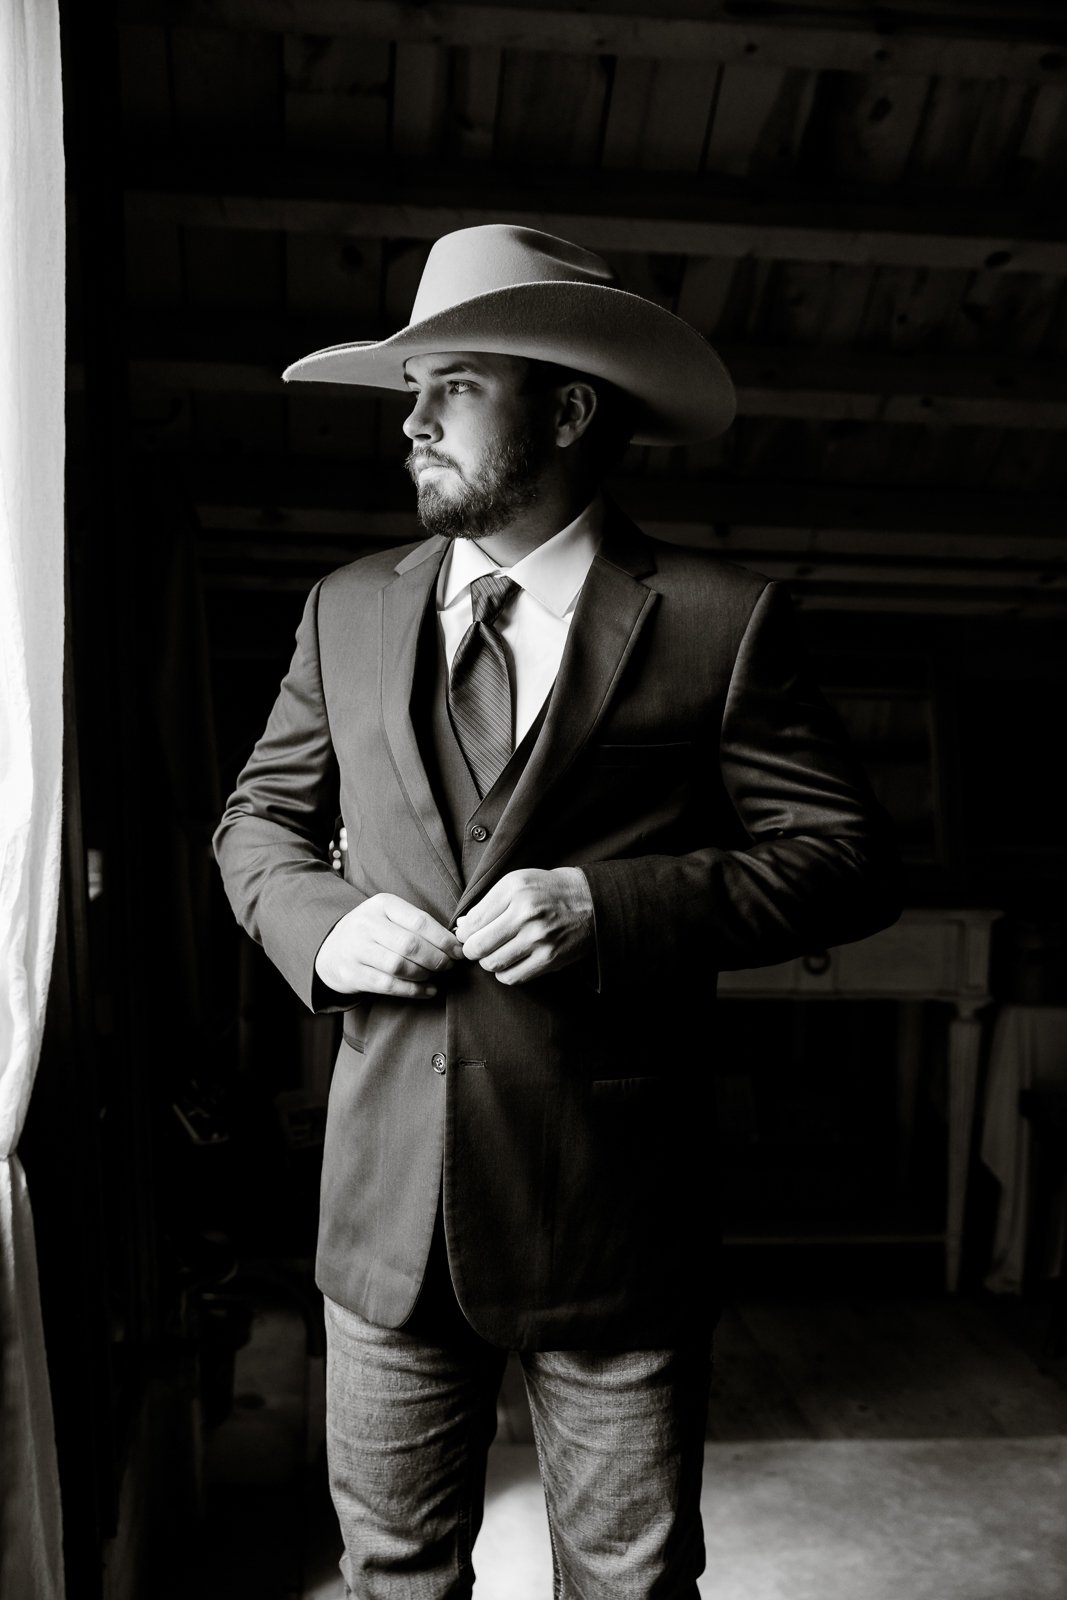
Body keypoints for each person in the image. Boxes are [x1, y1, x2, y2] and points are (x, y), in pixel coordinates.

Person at [213, 224, 900, 1599]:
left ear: (571, 406)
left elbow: (844, 855)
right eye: (411, 391)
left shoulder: (723, 618)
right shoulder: (344, 609)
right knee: (392, 1578)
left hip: (612, 1214)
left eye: (452, 385)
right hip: (382, 1220)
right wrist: (320, 926)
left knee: (630, 1588)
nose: (410, 421)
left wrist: (616, 908)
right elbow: (256, 829)